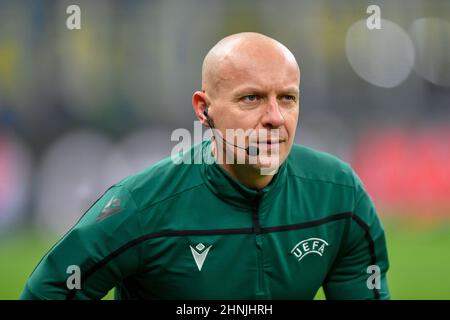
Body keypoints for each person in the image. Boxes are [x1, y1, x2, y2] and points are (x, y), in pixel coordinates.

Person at [20, 32, 390, 300]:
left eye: (288, 98)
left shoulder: (340, 196)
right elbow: (48, 291)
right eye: (252, 98)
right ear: (203, 109)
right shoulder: (141, 206)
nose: (275, 117)